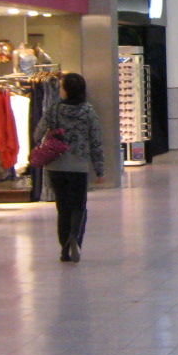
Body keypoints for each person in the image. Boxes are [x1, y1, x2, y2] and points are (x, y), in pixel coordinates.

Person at [35, 72, 105, 262]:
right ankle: (75, 239)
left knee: (63, 208)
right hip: (78, 167)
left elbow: (37, 134)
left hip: (55, 166)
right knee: (78, 207)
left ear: (65, 90)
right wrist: (100, 169)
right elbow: (96, 141)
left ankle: (64, 249)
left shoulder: (53, 110)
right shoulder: (88, 111)